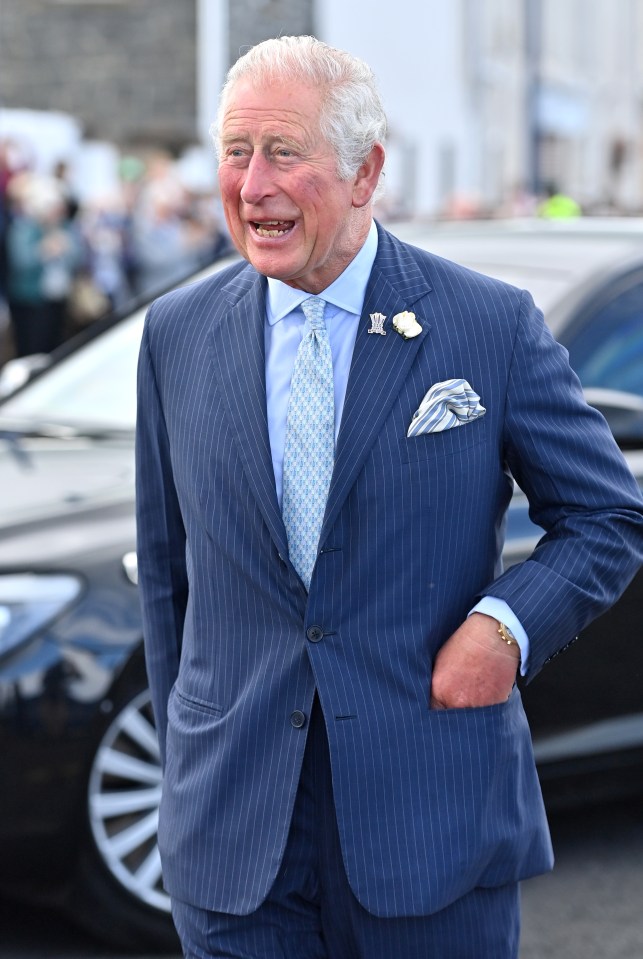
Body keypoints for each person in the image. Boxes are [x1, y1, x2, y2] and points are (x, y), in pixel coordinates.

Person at [135, 36, 643, 959]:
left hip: (429, 822)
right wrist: (186, 778)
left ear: (364, 171)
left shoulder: (485, 325)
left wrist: (504, 630)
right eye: (236, 152)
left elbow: (606, 516)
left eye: (282, 152)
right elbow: (168, 578)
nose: (252, 187)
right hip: (235, 833)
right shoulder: (176, 333)